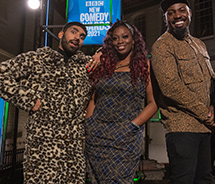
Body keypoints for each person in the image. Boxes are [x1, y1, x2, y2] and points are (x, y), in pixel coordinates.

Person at [0, 21, 100, 183]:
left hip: (72, 151)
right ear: (61, 35)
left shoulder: (85, 66)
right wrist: (28, 99)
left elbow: (117, 53)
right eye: (73, 32)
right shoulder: (38, 59)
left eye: (82, 36)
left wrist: (101, 52)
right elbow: (2, 75)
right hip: (42, 148)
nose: (77, 38)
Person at [151, 0, 215, 184]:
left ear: (190, 14)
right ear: (166, 19)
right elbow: (171, 87)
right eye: (170, 13)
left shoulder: (200, 44)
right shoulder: (162, 45)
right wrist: (204, 113)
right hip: (182, 128)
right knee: (183, 179)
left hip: (205, 127)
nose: (176, 16)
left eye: (181, 10)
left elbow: (210, 82)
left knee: (205, 178)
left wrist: (213, 107)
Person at [85, 20, 157, 183]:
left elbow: (153, 103)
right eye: (115, 38)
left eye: (125, 37)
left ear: (133, 40)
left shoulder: (144, 66)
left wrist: (133, 125)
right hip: (98, 136)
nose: (120, 41)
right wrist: (88, 124)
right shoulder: (103, 66)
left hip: (126, 137)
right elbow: (94, 99)